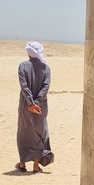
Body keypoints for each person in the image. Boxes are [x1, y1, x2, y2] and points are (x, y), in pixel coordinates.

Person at [16, 41, 54, 173]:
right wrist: (37, 103)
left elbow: (24, 86)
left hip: (25, 105)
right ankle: (36, 166)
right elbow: (45, 87)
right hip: (41, 106)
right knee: (39, 132)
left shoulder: (22, 67)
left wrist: (31, 103)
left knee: (24, 132)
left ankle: (22, 164)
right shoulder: (46, 69)